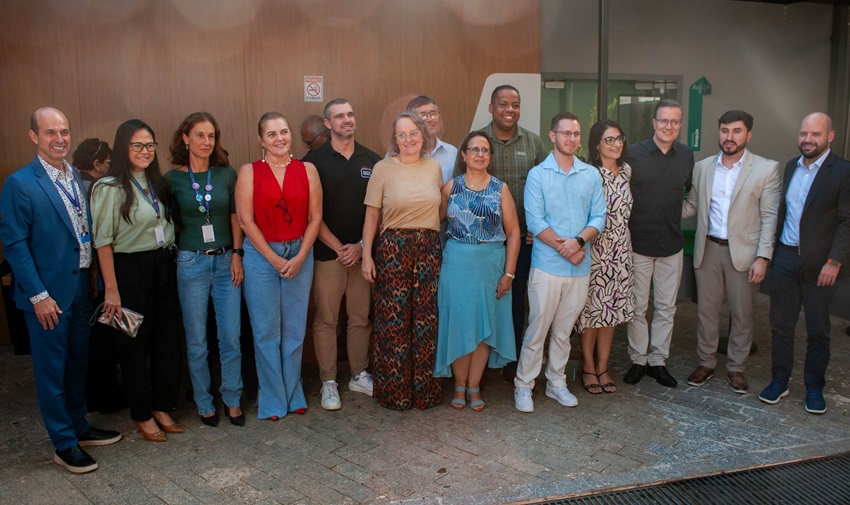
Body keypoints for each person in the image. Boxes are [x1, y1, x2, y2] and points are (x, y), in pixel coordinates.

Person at [0, 107, 122, 473]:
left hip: (80, 289)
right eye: (50, 132)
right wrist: (38, 296)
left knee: (76, 367)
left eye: (64, 131)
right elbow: (15, 244)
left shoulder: (77, 179)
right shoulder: (20, 183)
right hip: (47, 297)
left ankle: (79, 426)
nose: (59, 139)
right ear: (34, 136)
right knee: (52, 372)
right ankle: (63, 444)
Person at [90, 119, 182, 443]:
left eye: (149, 145)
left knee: (166, 341)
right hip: (129, 271)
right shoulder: (109, 187)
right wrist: (111, 290)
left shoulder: (157, 182)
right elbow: (102, 241)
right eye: (137, 145)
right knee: (133, 346)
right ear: (123, 148)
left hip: (164, 266)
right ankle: (141, 414)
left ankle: (161, 406)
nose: (145, 151)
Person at [682, 110, 781, 394]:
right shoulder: (702, 168)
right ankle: (706, 363)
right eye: (725, 130)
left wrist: (763, 257)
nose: (729, 136)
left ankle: (736, 367)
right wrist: (658, 209)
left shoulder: (766, 168)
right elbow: (691, 206)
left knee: (742, 314)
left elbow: (769, 217)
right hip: (709, 248)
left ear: (748, 135)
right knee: (707, 313)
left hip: (746, 254)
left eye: (736, 131)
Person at [513, 113, 606, 413]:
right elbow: (535, 221)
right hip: (547, 267)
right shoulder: (538, 175)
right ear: (552, 136)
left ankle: (556, 383)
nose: (571, 138)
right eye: (565, 133)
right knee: (537, 329)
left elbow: (599, 217)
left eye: (576, 133)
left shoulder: (591, 175)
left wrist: (578, 243)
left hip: (579, 266)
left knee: (564, 331)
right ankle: (524, 385)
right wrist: (567, 248)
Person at [759, 112, 850, 414]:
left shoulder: (843, 171)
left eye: (816, 134)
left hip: (821, 264)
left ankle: (814, 387)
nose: (808, 140)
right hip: (785, 258)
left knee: (818, 329)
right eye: (804, 134)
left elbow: (847, 222)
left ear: (830, 136)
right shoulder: (791, 167)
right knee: (780, 326)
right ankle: (779, 380)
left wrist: (834, 261)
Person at [235, 112, 322, 420]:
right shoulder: (249, 171)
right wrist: (273, 259)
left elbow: (315, 219)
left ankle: (292, 392)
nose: (279, 138)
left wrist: (299, 256)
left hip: (300, 252)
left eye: (283, 131)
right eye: (271, 134)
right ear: (261, 140)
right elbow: (246, 220)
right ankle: (272, 399)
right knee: (266, 331)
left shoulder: (308, 170)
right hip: (262, 257)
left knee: (295, 330)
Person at [165, 112, 245, 426]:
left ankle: (233, 399)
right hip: (191, 262)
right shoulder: (171, 179)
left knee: (231, 337)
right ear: (185, 138)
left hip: (227, 262)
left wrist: (237, 254)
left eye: (211, 136)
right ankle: (203, 400)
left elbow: (236, 216)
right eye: (199, 135)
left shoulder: (226, 174)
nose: (206, 142)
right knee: (197, 340)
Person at [361, 111, 443, 410]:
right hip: (393, 250)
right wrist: (367, 255)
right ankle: (396, 393)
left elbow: (440, 207)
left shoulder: (434, 167)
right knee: (393, 323)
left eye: (413, 133)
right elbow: (372, 215)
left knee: (425, 321)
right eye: (402, 134)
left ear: (423, 135)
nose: (408, 139)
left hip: (428, 250)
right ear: (394, 139)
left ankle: (425, 393)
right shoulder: (382, 169)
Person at [303, 99, 381, 411]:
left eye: (350, 114)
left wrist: (362, 247)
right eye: (339, 116)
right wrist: (340, 248)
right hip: (328, 257)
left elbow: (378, 211)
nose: (346, 120)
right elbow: (311, 215)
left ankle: (358, 374)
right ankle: (329, 382)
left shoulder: (372, 160)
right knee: (326, 320)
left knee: (361, 318)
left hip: (363, 256)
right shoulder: (313, 162)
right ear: (327, 123)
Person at [434, 131, 520, 412]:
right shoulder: (450, 188)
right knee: (459, 324)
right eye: (474, 149)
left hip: (491, 264)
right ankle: (459, 386)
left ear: (490, 157)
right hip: (457, 264)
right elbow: (433, 222)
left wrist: (508, 274)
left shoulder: (500, 189)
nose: (480, 154)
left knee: (484, 327)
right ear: (464, 155)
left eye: (485, 150)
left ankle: (474, 385)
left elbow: (514, 232)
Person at [623, 99, 694, 388]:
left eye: (674, 121)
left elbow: (689, 195)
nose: (668, 126)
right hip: (639, 243)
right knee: (638, 307)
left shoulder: (686, 156)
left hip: (671, 245)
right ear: (654, 123)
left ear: (680, 125)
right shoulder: (632, 154)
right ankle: (638, 359)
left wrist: (677, 215)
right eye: (663, 120)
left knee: (666, 308)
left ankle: (657, 361)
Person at [477, 85, 547, 382]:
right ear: (491, 108)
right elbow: (459, 189)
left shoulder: (533, 143)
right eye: (503, 104)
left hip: (523, 242)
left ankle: (512, 361)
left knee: (517, 302)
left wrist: (539, 227)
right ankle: (480, 363)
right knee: (485, 300)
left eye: (515, 104)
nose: (510, 109)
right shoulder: (477, 142)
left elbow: (546, 189)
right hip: (484, 242)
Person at [575, 119, 634, 395]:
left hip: (621, 252)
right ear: (597, 145)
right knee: (591, 313)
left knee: (610, 315)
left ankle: (603, 367)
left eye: (619, 138)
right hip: (596, 251)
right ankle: (588, 367)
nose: (616, 144)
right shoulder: (589, 174)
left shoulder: (627, 172)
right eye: (609, 139)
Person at [70, 138, 125, 414]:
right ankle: (104, 397)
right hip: (96, 276)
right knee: (103, 340)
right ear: (96, 165)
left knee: (90, 341)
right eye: (107, 163)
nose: (110, 168)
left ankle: (94, 395)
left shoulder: (75, 184)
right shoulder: (95, 189)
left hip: (82, 275)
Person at [407, 95, 458, 184]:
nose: (430, 119)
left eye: (433, 113)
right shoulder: (398, 154)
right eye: (423, 115)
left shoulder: (452, 153)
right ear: (411, 120)